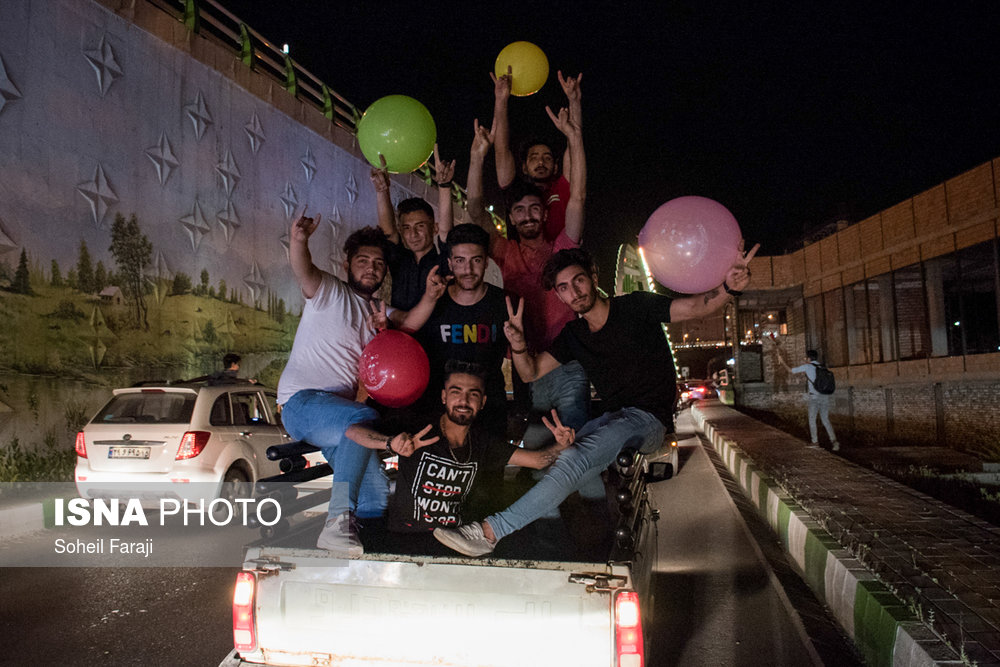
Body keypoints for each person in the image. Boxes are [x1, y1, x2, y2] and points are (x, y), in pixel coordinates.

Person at [434, 245, 755, 557]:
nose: (574, 292)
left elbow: (694, 307)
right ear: (559, 296)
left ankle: (490, 533)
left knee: (577, 457)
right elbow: (530, 372)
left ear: (593, 277)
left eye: (578, 280)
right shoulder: (575, 335)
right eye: (563, 288)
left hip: (649, 421)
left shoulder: (635, 306)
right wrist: (517, 343)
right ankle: (557, 532)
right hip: (615, 417)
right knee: (564, 457)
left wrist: (729, 286)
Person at [276, 210, 446, 556]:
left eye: (378, 263)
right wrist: (298, 240)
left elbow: (410, 323)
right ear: (346, 265)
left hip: (337, 417)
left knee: (374, 494)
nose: (371, 268)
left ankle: (360, 562)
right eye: (363, 261)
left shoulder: (378, 311)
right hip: (302, 404)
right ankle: (337, 523)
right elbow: (303, 269)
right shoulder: (328, 292)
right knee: (360, 418)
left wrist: (430, 295)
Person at [467, 85, 591, 467]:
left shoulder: (562, 248)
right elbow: (474, 211)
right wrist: (476, 158)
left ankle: (583, 512)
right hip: (524, 362)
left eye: (534, 209)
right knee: (538, 451)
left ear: (543, 212)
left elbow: (579, 197)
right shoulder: (504, 250)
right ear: (512, 217)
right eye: (518, 211)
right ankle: (548, 516)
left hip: (567, 362)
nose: (527, 215)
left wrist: (573, 132)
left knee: (572, 451)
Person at [389, 359, 573, 534]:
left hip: (457, 539)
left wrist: (561, 444)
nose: (464, 400)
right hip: (408, 537)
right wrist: (390, 444)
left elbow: (538, 461)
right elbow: (359, 431)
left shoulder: (482, 442)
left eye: (473, 394)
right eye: (456, 392)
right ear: (444, 396)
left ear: (482, 402)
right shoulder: (419, 428)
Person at [414, 223, 512, 434]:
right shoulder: (433, 301)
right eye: (460, 261)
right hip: (439, 407)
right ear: (450, 263)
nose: (468, 270)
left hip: (490, 407)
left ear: (486, 262)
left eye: (475, 260)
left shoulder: (504, 303)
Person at [491, 67, 582, 242]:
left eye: (547, 158)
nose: (540, 161)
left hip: (560, 264)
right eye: (533, 157)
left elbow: (574, 145)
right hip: (519, 267)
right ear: (524, 166)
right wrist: (501, 100)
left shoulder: (563, 188)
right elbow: (501, 150)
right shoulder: (514, 190)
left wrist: (574, 102)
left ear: (556, 166)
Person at [372, 146, 456, 310]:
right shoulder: (399, 259)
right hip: (401, 332)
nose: (413, 234)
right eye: (407, 228)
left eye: (420, 226)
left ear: (434, 229)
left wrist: (445, 186)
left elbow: (448, 234)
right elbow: (388, 232)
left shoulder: (443, 261)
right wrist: (382, 191)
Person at [780, 349, 840, 451]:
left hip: (814, 397)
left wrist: (782, 361)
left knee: (812, 420)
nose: (804, 359)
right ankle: (834, 441)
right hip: (825, 396)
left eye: (805, 357)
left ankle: (815, 442)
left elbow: (790, 371)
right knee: (825, 420)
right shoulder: (821, 367)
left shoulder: (807, 366)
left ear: (809, 359)